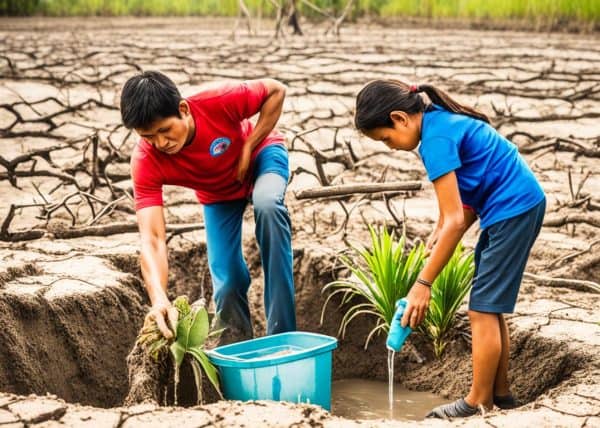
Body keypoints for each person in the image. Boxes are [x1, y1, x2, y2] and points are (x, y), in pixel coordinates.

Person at [354, 80, 546, 418]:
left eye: (386, 139)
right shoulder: (439, 121)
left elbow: (456, 219)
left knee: (480, 311)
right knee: (489, 306)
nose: (390, 147)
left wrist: (422, 285)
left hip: (512, 208)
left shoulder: (435, 141)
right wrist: (440, 228)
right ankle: (500, 396)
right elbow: (463, 205)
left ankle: (477, 402)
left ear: (400, 118)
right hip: (514, 205)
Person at [120, 70, 296, 344]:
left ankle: (284, 339)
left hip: (262, 158)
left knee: (268, 204)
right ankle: (239, 351)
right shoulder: (146, 159)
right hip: (218, 193)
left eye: (165, 130)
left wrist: (250, 144)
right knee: (226, 283)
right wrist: (158, 299)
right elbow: (152, 239)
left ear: (183, 110)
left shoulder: (218, 100)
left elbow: (276, 90)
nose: (160, 143)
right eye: (148, 136)